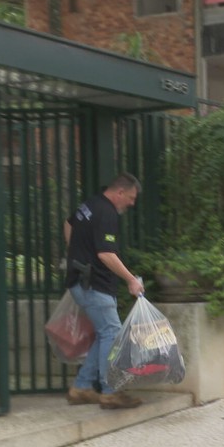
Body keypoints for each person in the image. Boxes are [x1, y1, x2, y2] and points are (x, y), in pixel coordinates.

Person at [64, 173, 146, 410]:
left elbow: (68, 224)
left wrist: (75, 254)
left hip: (80, 280)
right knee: (112, 332)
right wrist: (131, 280)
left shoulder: (90, 204)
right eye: (130, 198)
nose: (131, 203)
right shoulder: (107, 212)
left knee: (104, 334)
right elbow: (106, 253)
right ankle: (110, 391)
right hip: (94, 284)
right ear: (119, 192)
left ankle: (81, 388)